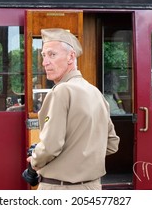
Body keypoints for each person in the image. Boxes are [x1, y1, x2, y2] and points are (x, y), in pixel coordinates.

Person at [27, 28, 119, 190]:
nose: (44, 62)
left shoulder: (61, 91)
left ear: (71, 57)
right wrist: (80, 155)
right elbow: (111, 144)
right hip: (93, 188)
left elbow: (50, 147)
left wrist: (35, 159)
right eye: (43, 55)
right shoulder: (95, 92)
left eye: (52, 54)